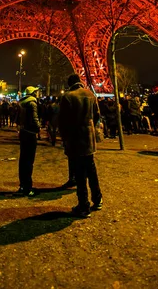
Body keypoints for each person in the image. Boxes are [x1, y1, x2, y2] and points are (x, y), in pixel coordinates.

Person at [58, 73, 102, 218]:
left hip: (75, 139)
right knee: (92, 171)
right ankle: (98, 199)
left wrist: (65, 138)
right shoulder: (91, 94)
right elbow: (96, 115)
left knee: (79, 174)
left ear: (69, 84)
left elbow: (63, 121)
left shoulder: (68, 97)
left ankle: (83, 206)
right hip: (89, 139)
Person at [16, 86, 41, 196]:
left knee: (23, 160)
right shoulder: (32, 103)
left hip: (23, 132)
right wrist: (38, 128)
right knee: (29, 161)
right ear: (33, 93)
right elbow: (35, 119)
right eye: (36, 92)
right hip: (30, 134)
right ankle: (28, 187)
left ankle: (22, 185)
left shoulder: (21, 103)